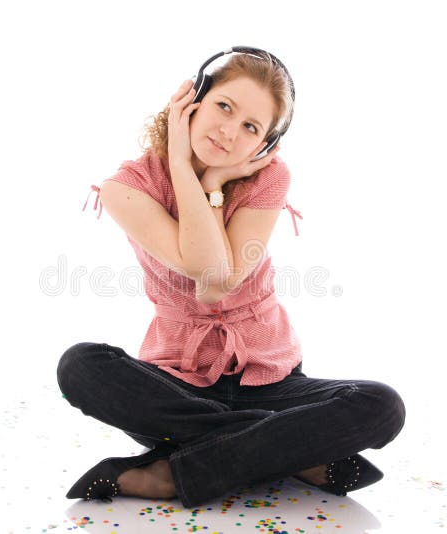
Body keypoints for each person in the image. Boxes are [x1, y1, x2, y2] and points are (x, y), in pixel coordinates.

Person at [57, 47, 405, 508]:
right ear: (192, 100)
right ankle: (286, 450)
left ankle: (174, 472)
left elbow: (222, 280)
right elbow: (206, 271)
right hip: (177, 384)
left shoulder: (269, 177)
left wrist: (214, 184)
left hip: (271, 379)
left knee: (381, 405)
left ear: (263, 145)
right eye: (225, 106)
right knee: (80, 366)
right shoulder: (128, 187)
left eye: (251, 127)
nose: (229, 132)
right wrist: (186, 168)